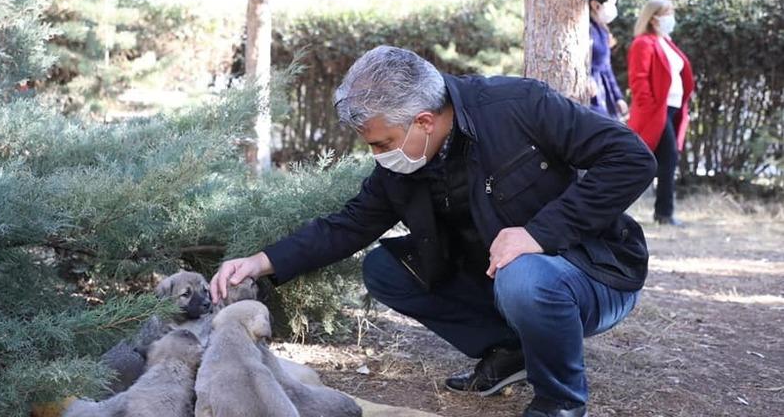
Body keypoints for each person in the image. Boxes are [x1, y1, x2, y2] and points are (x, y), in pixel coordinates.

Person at [210, 46, 657, 417]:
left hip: (593, 274)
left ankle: (560, 401)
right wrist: (261, 261)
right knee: (385, 268)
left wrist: (540, 233)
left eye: (382, 143)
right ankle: (513, 352)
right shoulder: (404, 162)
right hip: (503, 281)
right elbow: (348, 225)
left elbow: (632, 160)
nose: (379, 155)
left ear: (423, 121)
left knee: (523, 272)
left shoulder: (518, 106)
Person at [627, 0, 695, 226]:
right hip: (656, 112)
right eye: (666, 13)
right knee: (665, 159)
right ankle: (664, 213)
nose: (670, 18)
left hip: (673, 110)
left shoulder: (666, 41)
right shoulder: (643, 43)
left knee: (663, 160)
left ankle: (663, 213)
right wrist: (648, 109)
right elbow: (639, 80)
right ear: (653, 18)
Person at [587, 0, 628, 119]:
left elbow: (606, 66)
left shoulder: (604, 31)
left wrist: (618, 97)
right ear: (595, 4)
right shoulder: (586, 29)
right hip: (591, 88)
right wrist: (587, 79)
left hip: (603, 88)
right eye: (610, 3)